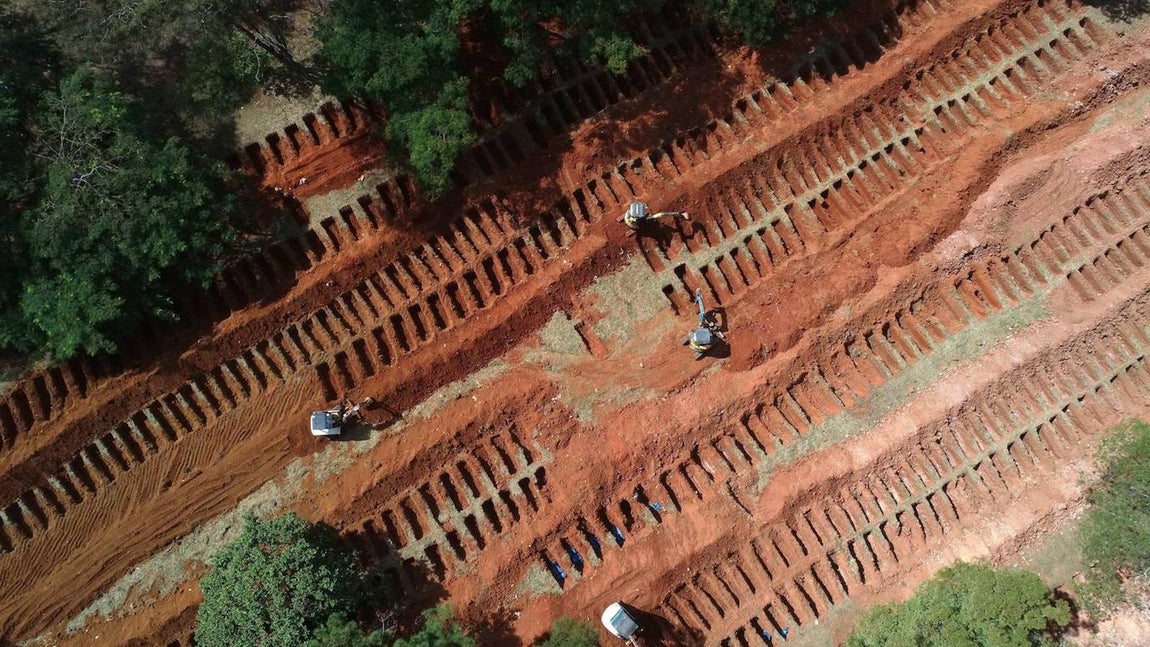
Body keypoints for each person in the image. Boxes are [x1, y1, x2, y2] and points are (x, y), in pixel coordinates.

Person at [621, 201, 689, 231]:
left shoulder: (632, 212)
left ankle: (680, 214)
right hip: (634, 225)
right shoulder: (642, 219)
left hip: (627, 218)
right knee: (660, 215)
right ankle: (679, 214)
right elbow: (661, 214)